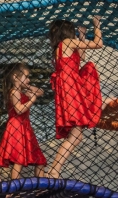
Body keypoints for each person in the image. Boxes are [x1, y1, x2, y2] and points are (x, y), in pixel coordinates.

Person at [47, 17, 116, 178]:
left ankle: (54, 170)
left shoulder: (60, 47)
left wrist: (82, 36)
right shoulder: (69, 42)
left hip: (69, 91)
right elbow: (98, 44)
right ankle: (54, 170)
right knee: (76, 136)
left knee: (76, 136)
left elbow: (81, 57)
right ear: (67, 32)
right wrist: (96, 26)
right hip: (72, 91)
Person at [0, 63, 46, 179]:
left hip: (25, 126)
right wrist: (32, 100)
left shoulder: (22, 91)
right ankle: (14, 190)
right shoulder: (14, 92)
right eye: (26, 76)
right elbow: (19, 110)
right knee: (18, 161)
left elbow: (40, 92)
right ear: (15, 77)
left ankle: (40, 189)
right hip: (17, 127)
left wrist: (27, 86)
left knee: (40, 161)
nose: (29, 79)